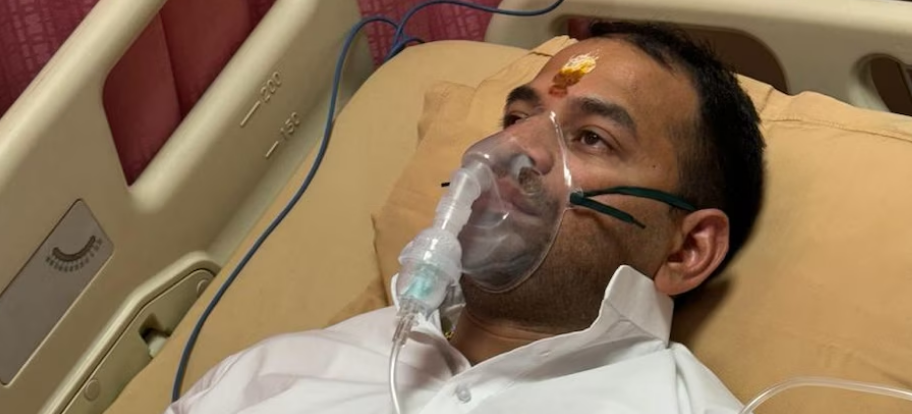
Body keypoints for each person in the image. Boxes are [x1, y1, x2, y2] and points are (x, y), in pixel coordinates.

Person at [165, 20, 764, 414]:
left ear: (687, 250)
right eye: (516, 119)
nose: (514, 149)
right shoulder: (275, 372)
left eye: (591, 137)